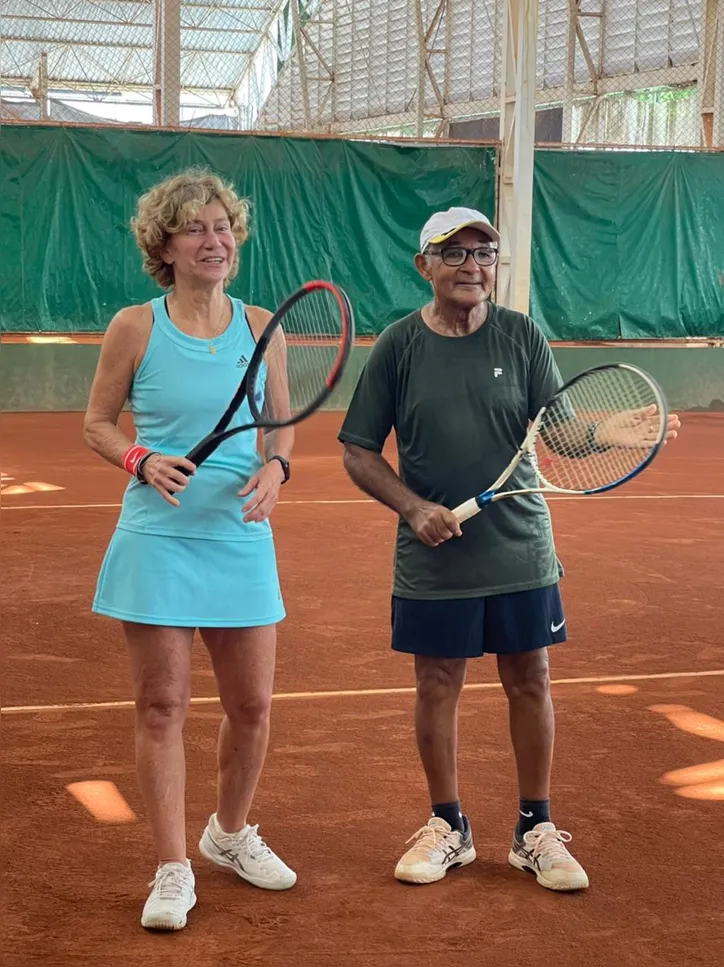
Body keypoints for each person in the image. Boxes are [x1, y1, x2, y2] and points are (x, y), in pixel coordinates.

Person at [338, 206, 680, 890]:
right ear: (424, 265)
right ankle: (448, 825)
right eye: (456, 253)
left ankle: (533, 827)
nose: (473, 266)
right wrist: (412, 507)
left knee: (531, 678)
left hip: (520, 546)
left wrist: (608, 433)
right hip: (433, 553)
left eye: (484, 253)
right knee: (436, 683)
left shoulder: (522, 335)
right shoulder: (400, 346)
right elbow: (357, 449)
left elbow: (561, 434)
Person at [84, 169, 297, 932]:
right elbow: (99, 422)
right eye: (195, 229)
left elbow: (280, 425)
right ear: (163, 246)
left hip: (239, 536)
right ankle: (173, 865)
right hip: (159, 537)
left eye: (223, 227)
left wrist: (276, 468)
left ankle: (228, 835)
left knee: (252, 705)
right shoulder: (134, 327)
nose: (215, 240)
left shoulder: (261, 325)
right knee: (162, 704)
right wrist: (140, 459)